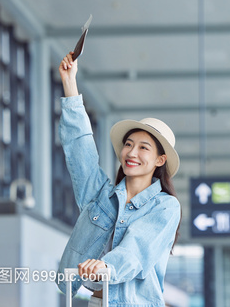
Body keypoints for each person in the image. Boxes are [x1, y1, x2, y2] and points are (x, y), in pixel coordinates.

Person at [56, 51, 181, 307]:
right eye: (128, 144)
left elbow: (136, 250)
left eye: (144, 147)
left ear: (160, 160)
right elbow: (81, 152)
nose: (131, 153)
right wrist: (70, 84)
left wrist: (105, 266)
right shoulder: (101, 197)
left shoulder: (166, 207)